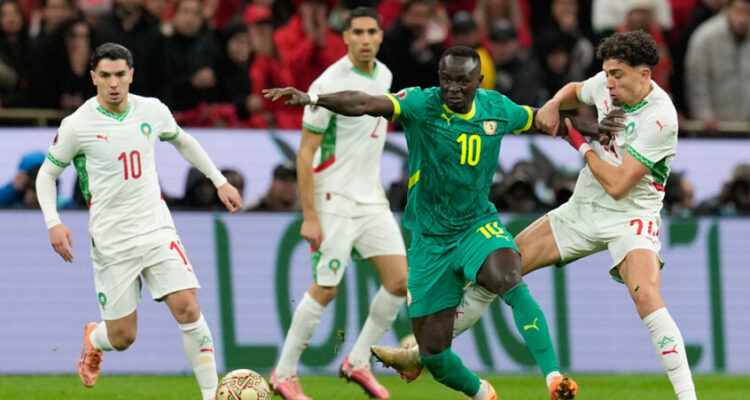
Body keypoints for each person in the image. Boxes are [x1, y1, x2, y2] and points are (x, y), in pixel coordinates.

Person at [263, 44, 618, 399]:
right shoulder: (421, 104)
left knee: (509, 278)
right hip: (430, 241)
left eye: (462, 81)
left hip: (476, 226)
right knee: (433, 354)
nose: (453, 88)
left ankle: (555, 378)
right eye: (446, 80)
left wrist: (593, 129)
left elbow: (546, 119)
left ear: (478, 81)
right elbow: (366, 103)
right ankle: (483, 393)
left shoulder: (497, 108)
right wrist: (313, 98)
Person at [370, 31, 699, 400]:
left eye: (617, 75)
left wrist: (580, 143)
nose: (608, 83)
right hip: (581, 210)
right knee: (500, 273)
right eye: (607, 73)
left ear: (644, 75)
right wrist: (555, 103)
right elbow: (575, 90)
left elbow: (619, 185)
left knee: (646, 296)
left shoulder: (661, 118)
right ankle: (420, 355)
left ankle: (687, 396)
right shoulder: (606, 85)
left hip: (631, 217)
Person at [35, 43, 243, 400]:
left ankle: (211, 395)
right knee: (123, 337)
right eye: (105, 76)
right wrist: (53, 222)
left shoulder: (152, 110)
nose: (113, 83)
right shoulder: (77, 125)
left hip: (156, 227)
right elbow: (46, 175)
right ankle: (94, 337)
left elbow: (184, 141)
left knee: (188, 307)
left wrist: (219, 181)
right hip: (111, 238)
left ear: (131, 74)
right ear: (93, 78)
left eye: (120, 74)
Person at [268, 9, 408, 400]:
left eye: (371, 32)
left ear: (380, 36)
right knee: (326, 288)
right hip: (333, 198)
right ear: (345, 37)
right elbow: (305, 153)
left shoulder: (384, 75)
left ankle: (358, 360)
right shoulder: (327, 84)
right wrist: (310, 216)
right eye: (357, 32)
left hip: (371, 199)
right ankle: (284, 373)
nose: (365, 39)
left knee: (400, 282)